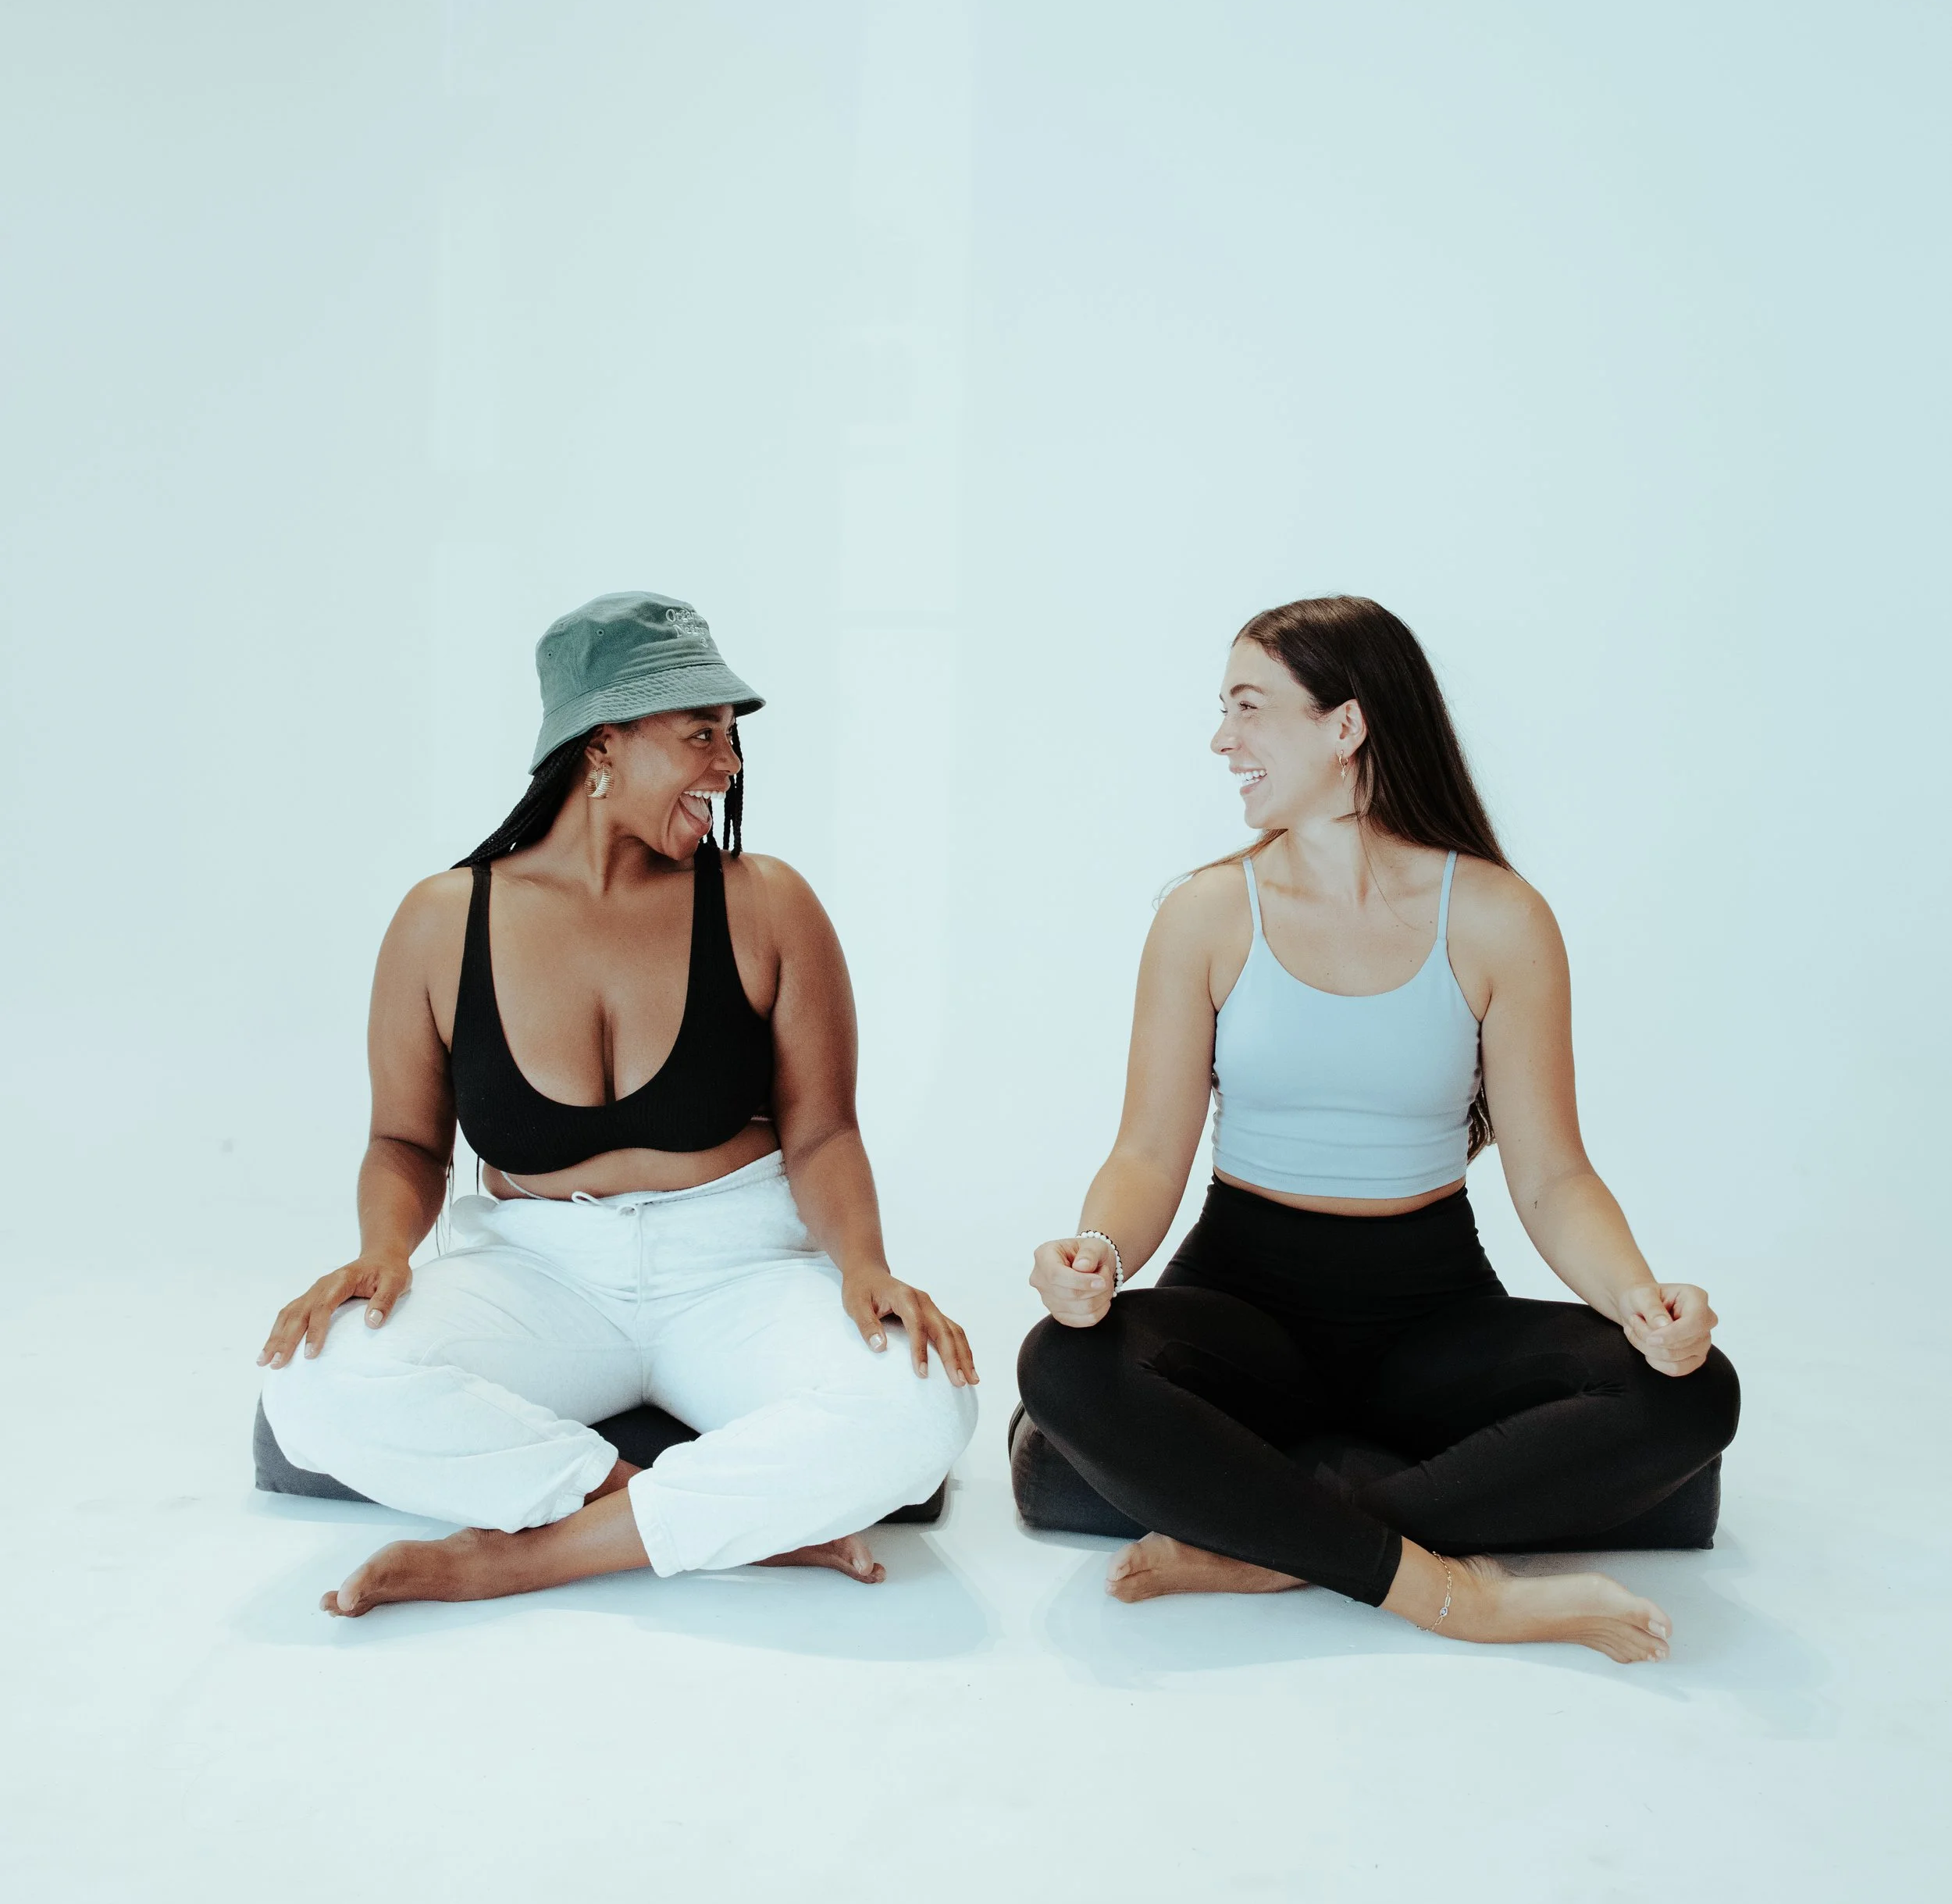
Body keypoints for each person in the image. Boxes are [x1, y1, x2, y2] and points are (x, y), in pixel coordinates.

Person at [1019, 595, 1738, 1663]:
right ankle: (1455, 1591)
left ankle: (1266, 1541)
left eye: (1249, 706)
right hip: (1243, 1304)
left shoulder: (1498, 916)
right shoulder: (1207, 915)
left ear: (1344, 726)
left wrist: (1640, 1299)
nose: (1223, 739)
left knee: (1694, 1396)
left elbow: (1551, 1177)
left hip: (1431, 1317)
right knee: (1062, 1368)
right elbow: (1146, 1153)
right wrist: (1099, 1253)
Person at [259, 589, 978, 1618]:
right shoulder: (440, 921)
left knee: (926, 1404)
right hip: (537, 1275)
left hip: (738, 1269)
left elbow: (822, 1130)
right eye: (700, 734)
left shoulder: (766, 902)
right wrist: (385, 1253)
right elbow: (405, 1139)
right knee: (310, 1386)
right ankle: (708, 1520)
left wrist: (864, 1267)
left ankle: (521, 1557)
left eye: (730, 736)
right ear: (603, 744)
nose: (726, 764)